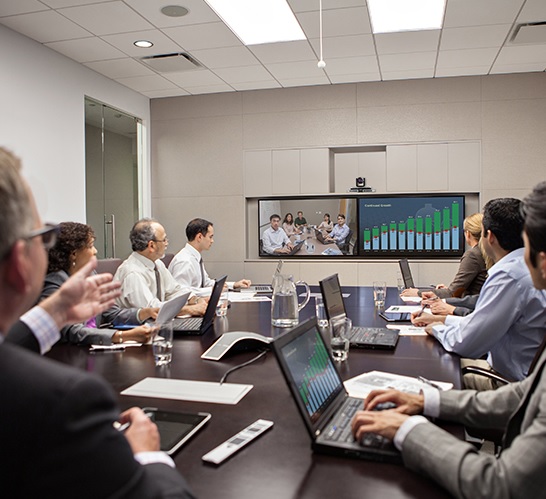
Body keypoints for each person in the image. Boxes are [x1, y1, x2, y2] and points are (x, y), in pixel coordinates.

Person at [0, 147, 194, 497]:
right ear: (19, 263)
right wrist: (147, 455)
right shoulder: (67, 401)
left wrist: (55, 313)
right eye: (42, 237)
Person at [351, 180, 546, 499]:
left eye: (527, 249)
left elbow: (503, 486)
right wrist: (426, 400)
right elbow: (527, 394)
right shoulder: (519, 272)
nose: (521, 260)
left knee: (428, 373)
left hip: (502, 376)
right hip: (512, 380)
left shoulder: (510, 273)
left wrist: (409, 430)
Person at [412, 198, 546, 389]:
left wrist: (437, 330)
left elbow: (467, 343)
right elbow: (481, 323)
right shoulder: (526, 266)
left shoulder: (509, 275)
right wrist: (442, 320)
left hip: (508, 384)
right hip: (525, 377)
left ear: (489, 236)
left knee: (427, 372)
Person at [41, 221, 157, 345]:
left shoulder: (91, 275)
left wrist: (145, 312)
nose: (95, 251)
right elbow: (71, 331)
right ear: (74, 254)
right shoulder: (54, 283)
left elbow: (111, 313)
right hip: (67, 352)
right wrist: (121, 336)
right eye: (91, 246)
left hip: (91, 349)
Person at [115, 218, 206, 315]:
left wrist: (196, 300)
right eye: (164, 240)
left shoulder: (157, 264)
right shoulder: (132, 273)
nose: (167, 243)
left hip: (158, 321)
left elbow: (174, 291)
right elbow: (151, 310)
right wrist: (190, 309)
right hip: (142, 324)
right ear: (151, 245)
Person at [402, 213, 488, 298]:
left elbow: (452, 293)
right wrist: (446, 290)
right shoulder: (485, 251)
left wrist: (418, 293)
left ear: (468, 234)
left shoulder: (472, 255)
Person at [169, 218, 251, 295]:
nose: (212, 241)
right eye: (210, 237)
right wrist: (211, 290)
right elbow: (181, 292)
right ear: (199, 237)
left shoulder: (195, 257)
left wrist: (234, 285)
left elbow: (206, 283)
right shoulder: (184, 261)